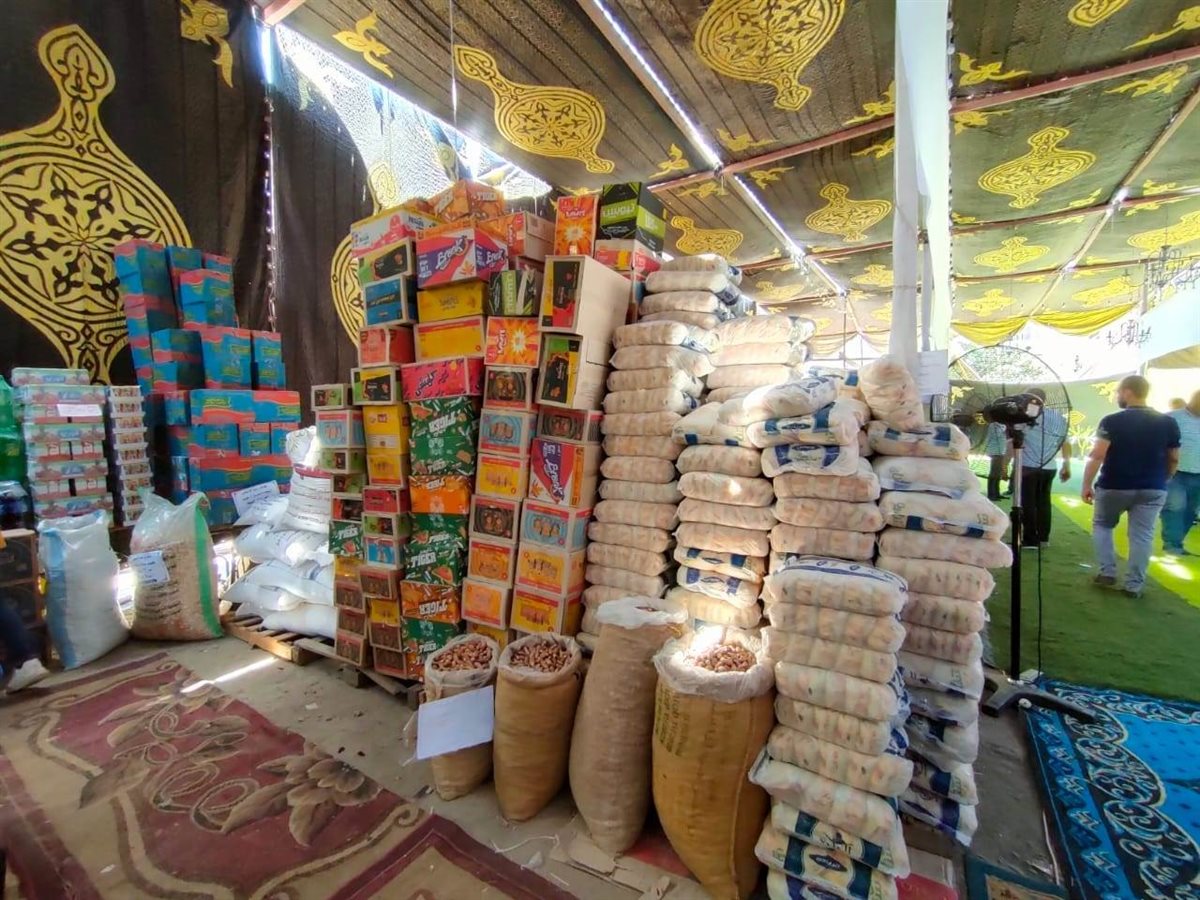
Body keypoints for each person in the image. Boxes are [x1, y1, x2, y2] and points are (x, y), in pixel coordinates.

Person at [1081, 374, 1180, 598]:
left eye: (1118, 392)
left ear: (1127, 392)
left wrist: (1086, 484)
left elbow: (1098, 455)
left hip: (1114, 485)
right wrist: (1163, 480)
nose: (1118, 396)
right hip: (1153, 487)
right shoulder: (1168, 423)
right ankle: (1134, 585)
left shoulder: (1111, 421)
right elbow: (1174, 458)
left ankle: (1107, 572)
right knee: (1142, 536)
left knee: (1103, 525)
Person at [1015, 388, 1071, 548]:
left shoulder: (1024, 417)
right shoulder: (1058, 417)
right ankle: (1043, 538)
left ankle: (1030, 539)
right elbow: (1065, 443)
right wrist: (1066, 465)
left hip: (1028, 466)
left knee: (1028, 503)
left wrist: (1005, 465)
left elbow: (1015, 440)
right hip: (1049, 467)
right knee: (1044, 503)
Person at [1163, 389, 1200, 555]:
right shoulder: (1171, 418)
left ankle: (1177, 542)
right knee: (1175, 507)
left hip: (1198, 473)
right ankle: (1172, 545)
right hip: (1175, 472)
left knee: (1190, 511)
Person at [984, 421, 1010, 501]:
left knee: (998, 473)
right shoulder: (993, 425)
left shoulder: (1003, 425)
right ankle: (991, 495)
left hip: (1001, 452)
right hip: (995, 452)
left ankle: (997, 493)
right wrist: (1007, 429)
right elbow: (998, 435)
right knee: (994, 473)